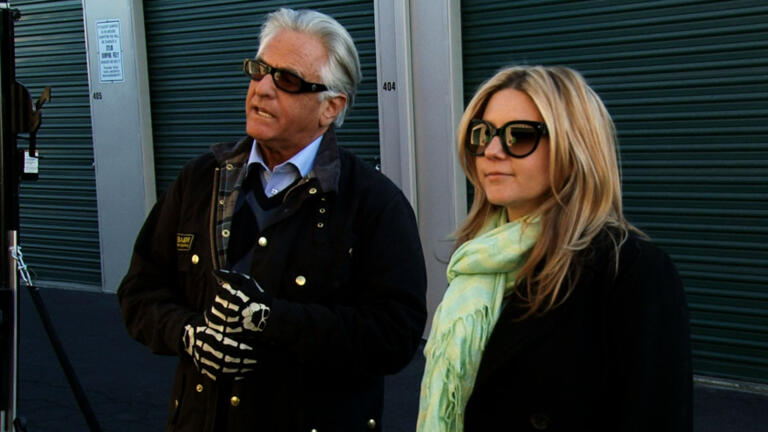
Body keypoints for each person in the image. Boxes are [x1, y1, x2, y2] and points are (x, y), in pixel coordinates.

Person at [117, 8, 427, 432]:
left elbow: (395, 335)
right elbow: (139, 291)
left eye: (287, 80)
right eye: (259, 70)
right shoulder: (199, 181)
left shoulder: (374, 203)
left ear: (330, 107)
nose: (261, 89)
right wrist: (187, 333)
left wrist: (270, 320)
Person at [417, 66, 692, 431]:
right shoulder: (477, 260)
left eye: (519, 136)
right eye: (482, 134)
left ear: (574, 146)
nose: (492, 151)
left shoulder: (631, 271)